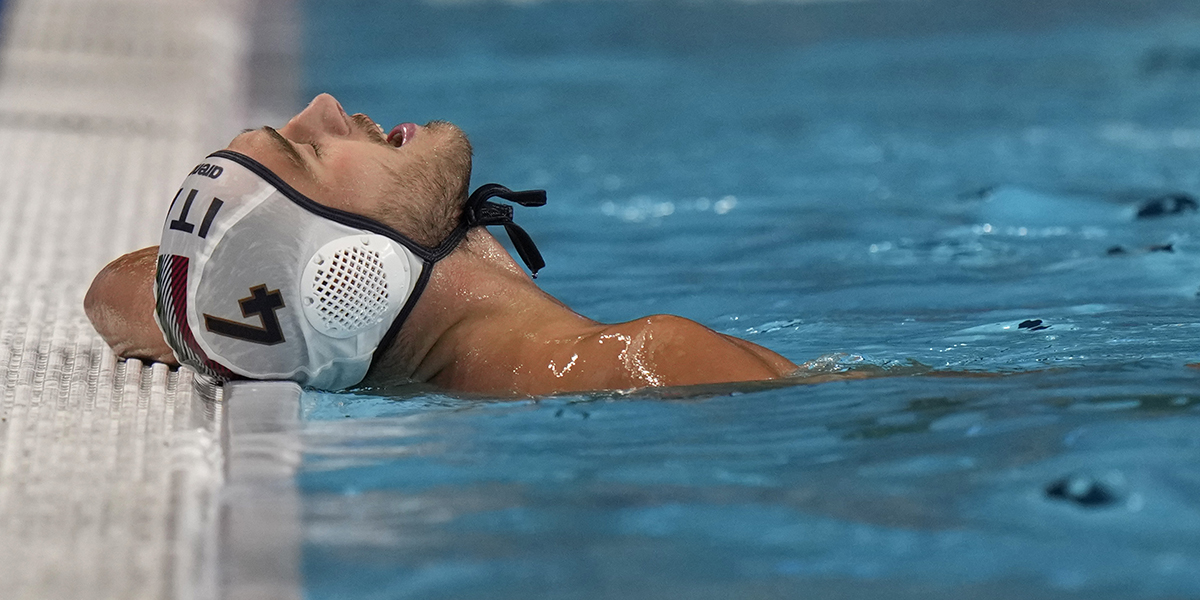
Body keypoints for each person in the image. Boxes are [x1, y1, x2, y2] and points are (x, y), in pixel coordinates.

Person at [85, 93, 806, 396]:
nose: (328, 108)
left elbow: (117, 292)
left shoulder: (276, 332)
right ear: (346, 266)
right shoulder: (657, 363)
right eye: (307, 150)